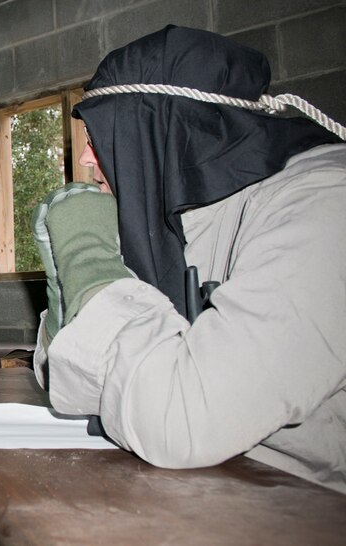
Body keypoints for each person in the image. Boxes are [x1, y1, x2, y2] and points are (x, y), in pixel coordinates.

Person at [32, 25, 346, 493]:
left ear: (164, 129)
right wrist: (66, 289)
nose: (85, 159)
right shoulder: (176, 215)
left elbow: (178, 423)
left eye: (101, 135)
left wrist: (88, 256)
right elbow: (64, 378)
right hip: (217, 488)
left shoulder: (325, 207)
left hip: (310, 507)